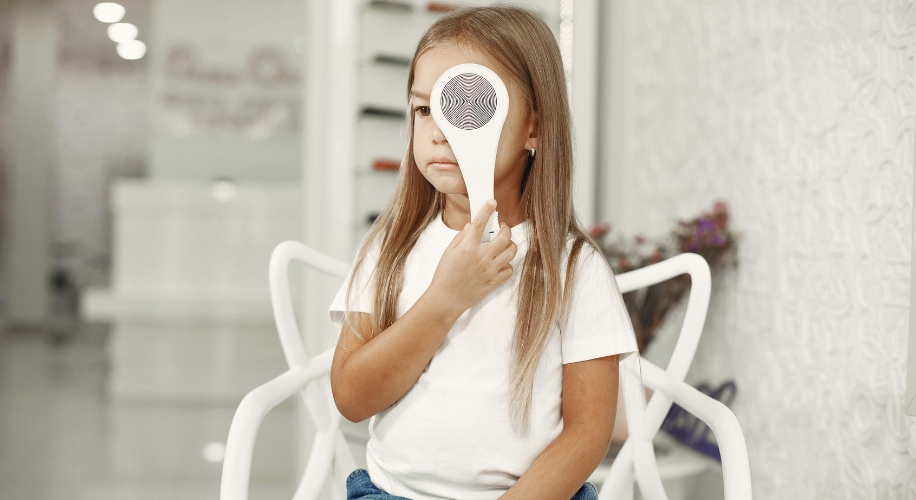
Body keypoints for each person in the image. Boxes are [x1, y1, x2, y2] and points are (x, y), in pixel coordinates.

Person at [327, 5, 639, 500]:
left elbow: (586, 435)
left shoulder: (573, 269)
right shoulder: (390, 252)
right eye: (425, 109)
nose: (438, 130)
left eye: (469, 107)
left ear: (533, 128)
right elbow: (352, 397)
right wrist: (444, 299)